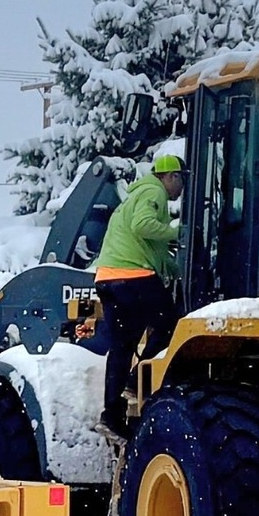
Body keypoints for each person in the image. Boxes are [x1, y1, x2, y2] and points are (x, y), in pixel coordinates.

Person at [95, 154, 185, 436]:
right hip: (132, 275)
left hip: (109, 278)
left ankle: (111, 417)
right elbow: (142, 225)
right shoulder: (153, 191)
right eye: (181, 179)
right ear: (171, 177)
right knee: (170, 323)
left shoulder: (134, 196)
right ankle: (136, 381)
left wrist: (177, 268)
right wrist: (176, 231)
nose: (181, 188)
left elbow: (155, 250)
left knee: (121, 347)